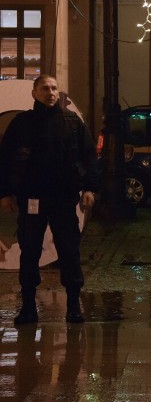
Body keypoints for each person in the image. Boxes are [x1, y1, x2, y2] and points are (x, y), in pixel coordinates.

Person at [0, 75, 100, 325]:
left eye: (54, 88)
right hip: (31, 197)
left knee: (69, 251)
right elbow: (6, 159)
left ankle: (73, 305)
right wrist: (5, 193)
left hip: (63, 198)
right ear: (34, 93)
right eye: (45, 88)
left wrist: (89, 188)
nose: (51, 92)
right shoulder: (22, 123)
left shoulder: (72, 123)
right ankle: (28, 307)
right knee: (30, 250)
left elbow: (88, 157)